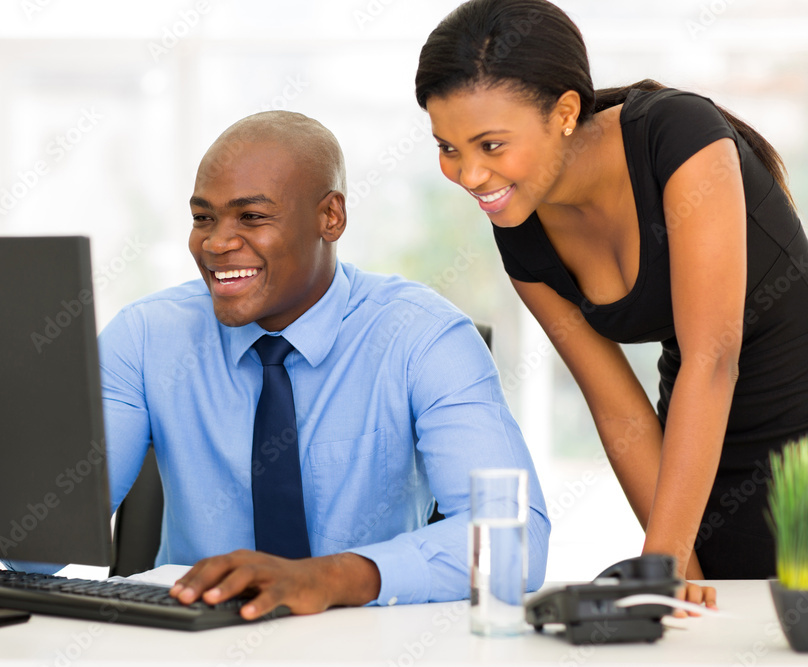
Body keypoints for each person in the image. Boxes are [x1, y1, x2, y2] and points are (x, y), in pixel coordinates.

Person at [415, 0, 808, 609]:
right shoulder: (520, 226)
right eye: (448, 148)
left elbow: (714, 357)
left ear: (566, 112)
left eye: (491, 145)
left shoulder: (678, 135)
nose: (469, 175)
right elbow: (617, 412)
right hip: (700, 457)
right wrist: (677, 565)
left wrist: (663, 564)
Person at [98, 109, 549, 619]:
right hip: (194, 641)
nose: (217, 243)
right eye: (204, 217)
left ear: (330, 217)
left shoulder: (422, 337)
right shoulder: (143, 337)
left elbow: (515, 540)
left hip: (370, 643)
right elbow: (36, 544)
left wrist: (330, 578)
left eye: (252, 217)